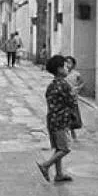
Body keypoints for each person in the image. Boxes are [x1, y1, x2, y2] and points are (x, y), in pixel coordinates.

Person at [36, 55, 77, 183]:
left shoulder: (51, 85)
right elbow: (72, 102)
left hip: (52, 120)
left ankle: (59, 174)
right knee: (65, 149)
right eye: (65, 66)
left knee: (59, 148)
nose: (68, 68)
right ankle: (45, 165)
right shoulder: (65, 85)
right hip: (61, 121)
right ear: (59, 69)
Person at [64, 56, 84, 140]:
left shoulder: (76, 74)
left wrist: (78, 88)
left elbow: (82, 83)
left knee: (74, 116)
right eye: (66, 62)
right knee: (65, 115)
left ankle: (72, 131)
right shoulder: (62, 73)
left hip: (73, 98)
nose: (68, 64)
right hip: (63, 98)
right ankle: (67, 133)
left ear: (73, 64)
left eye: (70, 62)